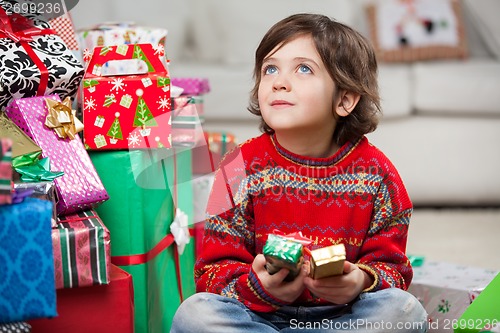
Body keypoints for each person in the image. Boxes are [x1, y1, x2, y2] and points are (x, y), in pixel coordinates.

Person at [171, 13, 428, 333]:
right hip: (258, 315)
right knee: (194, 313)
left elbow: (394, 272)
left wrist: (359, 280)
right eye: (270, 69)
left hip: (344, 316)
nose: (279, 81)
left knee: (404, 311)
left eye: (304, 68)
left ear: (345, 99)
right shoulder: (236, 167)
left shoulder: (378, 174)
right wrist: (258, 286)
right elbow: (211, 273)